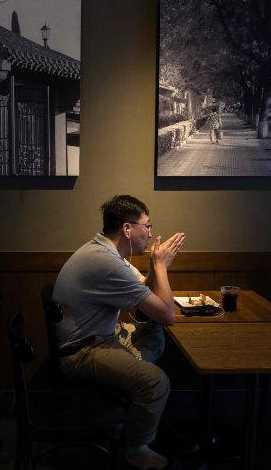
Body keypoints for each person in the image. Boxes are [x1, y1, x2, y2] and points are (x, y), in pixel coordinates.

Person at [53, 195, 186, 470]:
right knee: (156, 382)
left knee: (154, 333)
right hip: (83, 350)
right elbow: (167, 314)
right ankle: (137, 449)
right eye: (147, 226)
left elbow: (145, 293)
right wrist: (161, 267)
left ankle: (144, 411)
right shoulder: (104, 261)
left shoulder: (106, 251)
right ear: (127, 229)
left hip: (102, 336)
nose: (151, 234)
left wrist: (155, 267)